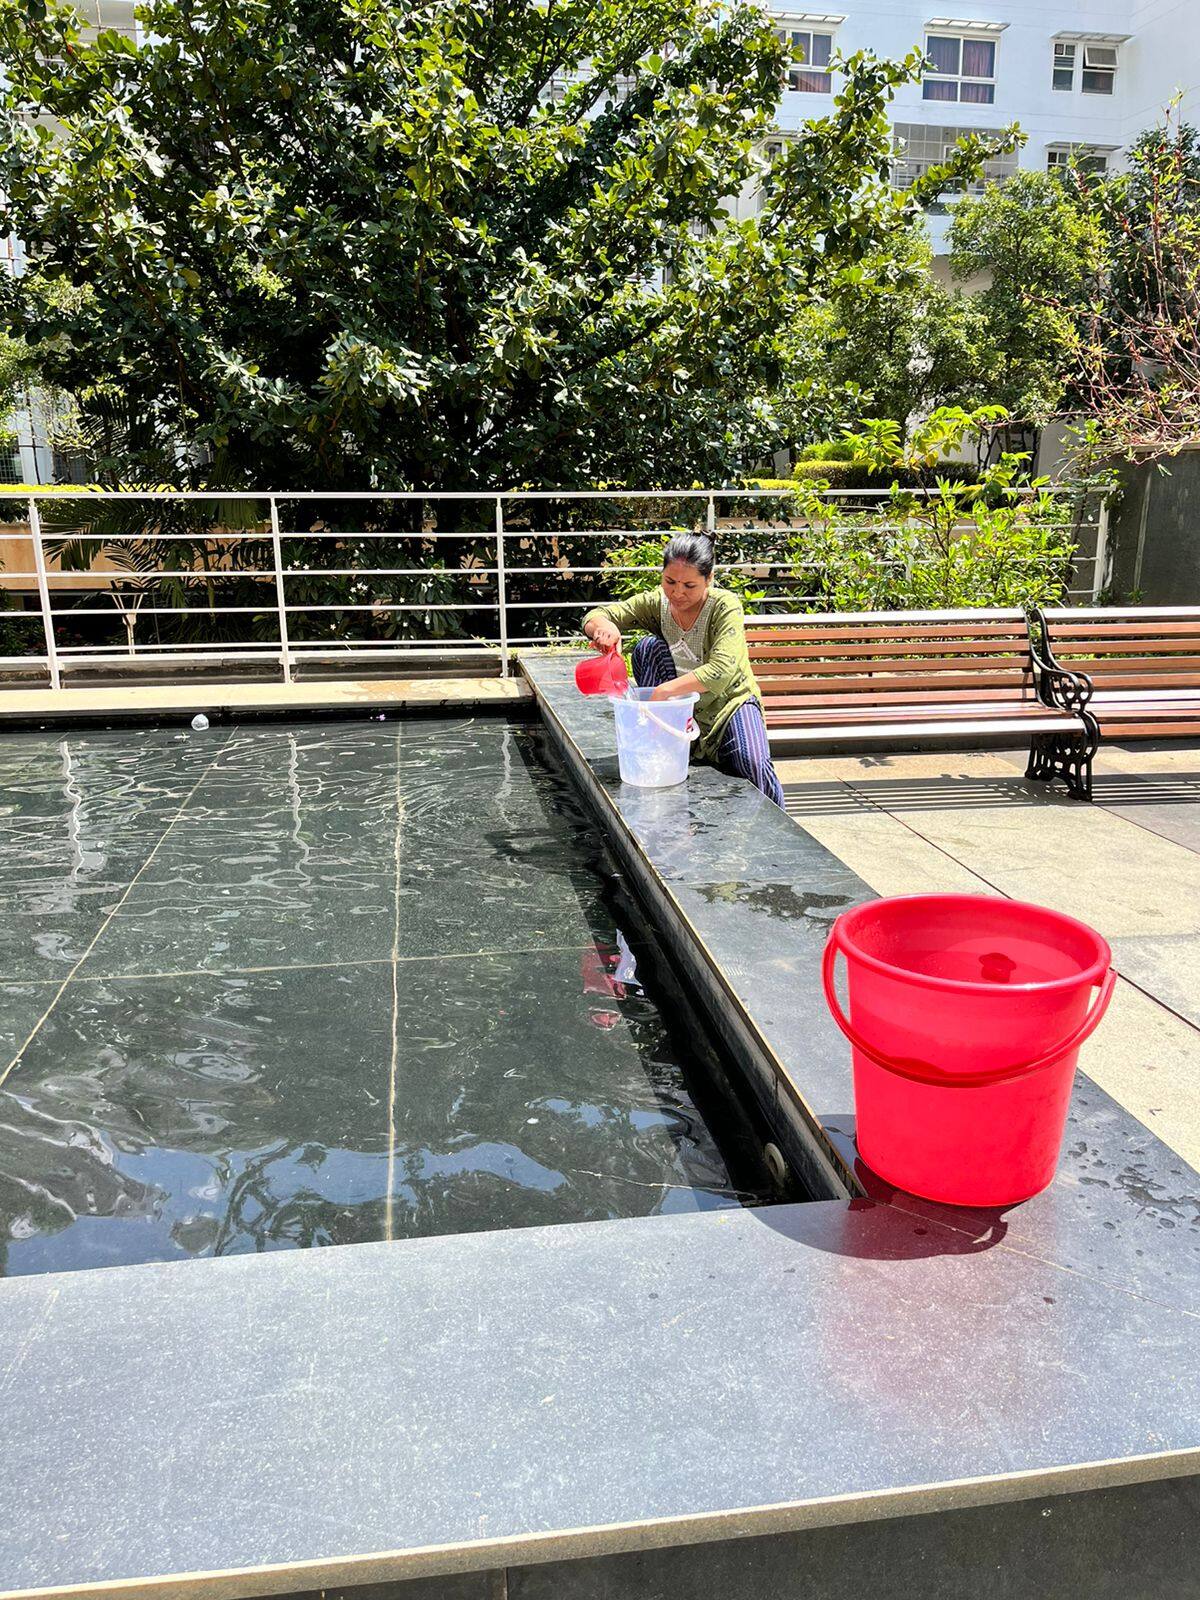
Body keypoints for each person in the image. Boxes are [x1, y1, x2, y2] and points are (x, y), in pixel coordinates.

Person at [581, 533, 785, 807]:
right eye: (670, 582)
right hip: (678, 715)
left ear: (709, 579)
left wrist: (663, 692)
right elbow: (596, 615)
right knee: (647, 647)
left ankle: (779, 832)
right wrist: (603, 628)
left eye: (689, 585)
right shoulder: (658, 604)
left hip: (728, 707)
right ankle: (663, 752)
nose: (678, 593)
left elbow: (722, 670)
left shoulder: (724, 607)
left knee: (753, 763)